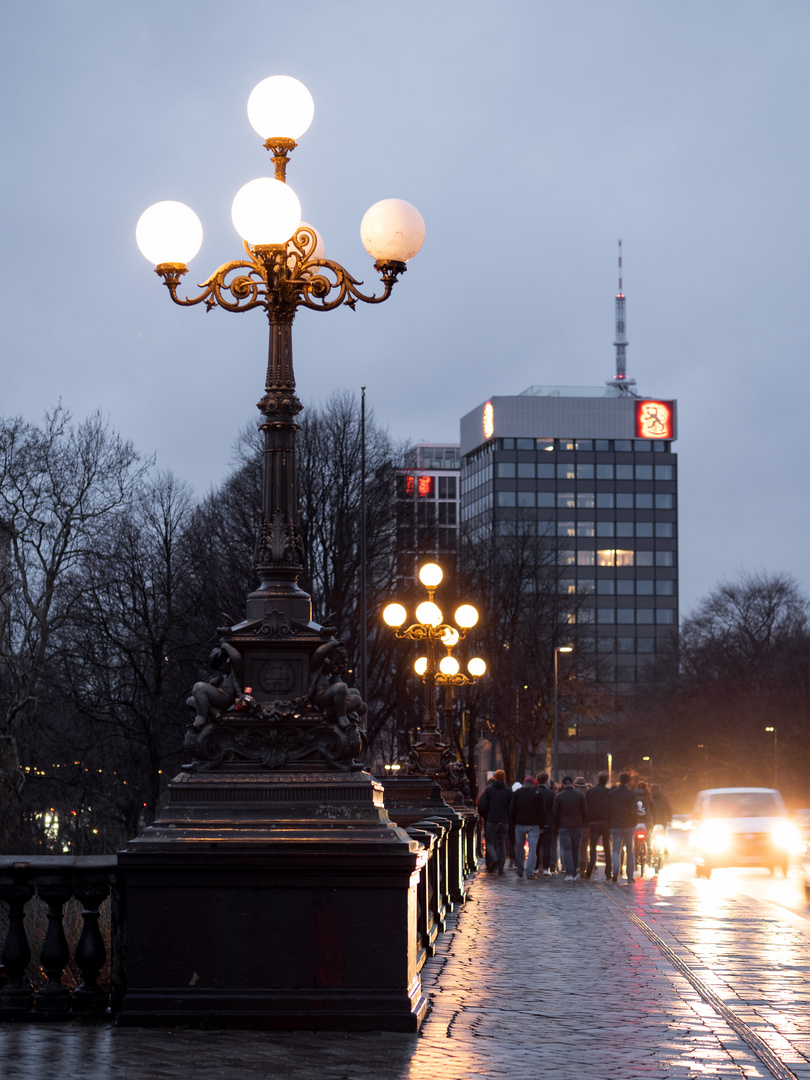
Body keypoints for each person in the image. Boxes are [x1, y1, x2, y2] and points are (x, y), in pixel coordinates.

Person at [553, 775, 588, 881]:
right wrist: (583, 823)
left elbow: (555, 813)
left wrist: (557, 825)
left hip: (564, 826)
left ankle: (569, 873)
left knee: (567, 850)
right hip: (577, 826)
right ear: (572, 783)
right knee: (576, 849)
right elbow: (585, 812)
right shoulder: (580, 795)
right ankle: (575, 870)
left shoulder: (559, 796)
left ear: (562, 784)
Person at [509, 776, 545, 879]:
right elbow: (542, 810)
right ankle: (529, 872)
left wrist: (514, 822)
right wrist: (541, 825)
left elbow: (512, 809)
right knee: (533, 849)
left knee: (520, 848)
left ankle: (520, 869)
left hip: (520, 824)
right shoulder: (537, 793)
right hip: (534, 825)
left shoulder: (518, 793)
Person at [477, 770, 512, 874]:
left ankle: (494, 858)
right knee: (501, 843)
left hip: (492, 820)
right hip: (504, 821)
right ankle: (501, 868)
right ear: (504, 778)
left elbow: (483, 806)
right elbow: (511, 807)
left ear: (495, 778)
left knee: (490, 843)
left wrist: (486, 816)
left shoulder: (489, 790)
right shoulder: (508, 791)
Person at [609, 772, 638, 882]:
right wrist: (634, 824)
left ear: (619, 780)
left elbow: (609, 810)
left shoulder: (612, 794)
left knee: (616, 850)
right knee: (630, 851)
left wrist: (610, 823)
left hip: (615, 825)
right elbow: (634, 811)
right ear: (628, 781)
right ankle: (630, 876)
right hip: (628, 826)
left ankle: (615, 871)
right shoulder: (631, 794)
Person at [585, 771, 612, 879]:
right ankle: (608, 873)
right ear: (606, 780)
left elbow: (586, 805)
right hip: (605, 823)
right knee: (607, 848)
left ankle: (590, 869)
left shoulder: (591, 791)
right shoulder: (609, 792)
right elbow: (611, 808)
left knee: (592, 848)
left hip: (593, 823)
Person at [535, 772, 557, 876]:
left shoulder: (535, 792)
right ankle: (545, 868)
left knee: (537, 846)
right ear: (546, 781)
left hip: (536, 824)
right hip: (549, 822)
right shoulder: (552, 794)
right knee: (547, 846)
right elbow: (555, 810)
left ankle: (535, 867)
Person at [574, 777, 590, 875]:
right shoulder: (589, 795)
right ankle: (583, 868)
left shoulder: (574, 794)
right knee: (583, 847)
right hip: (586, 824)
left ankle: (573, 867)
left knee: (573, 846)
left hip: (574, 823)